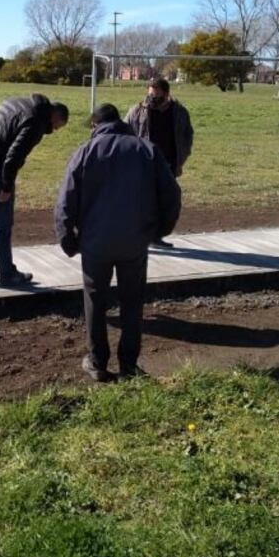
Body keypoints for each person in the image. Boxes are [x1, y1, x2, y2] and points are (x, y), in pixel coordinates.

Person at [55, 104, 181, 382]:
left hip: (95, 244)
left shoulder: (85, 153)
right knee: (132, 302)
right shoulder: (147, 150)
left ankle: (98, 362)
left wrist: (68, 241)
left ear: (95, 126)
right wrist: (159, 230)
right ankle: (129, 364)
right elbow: (171, 194)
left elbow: (66, 202)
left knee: (95, 302)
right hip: (134, 243)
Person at [0, 94, 69, 286]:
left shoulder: (16, 102)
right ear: (55, 117)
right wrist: (6, 187)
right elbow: (13, 157)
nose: (53, 131)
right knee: (1, 224)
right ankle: (7, 273)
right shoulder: (36, 122)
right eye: (57, 127)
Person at [125, 77, 193, 248]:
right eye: (150, 95)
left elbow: (187, 135)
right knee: (141, 203)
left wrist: (182, 158)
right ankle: (136, 237)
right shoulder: (137, 111)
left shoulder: (179, 112)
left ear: (167, 94)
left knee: (166, 203)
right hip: (144, 165)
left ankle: (156, 237)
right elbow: (125, 134)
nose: (152, 99)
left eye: (156, 96)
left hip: (169, 165)